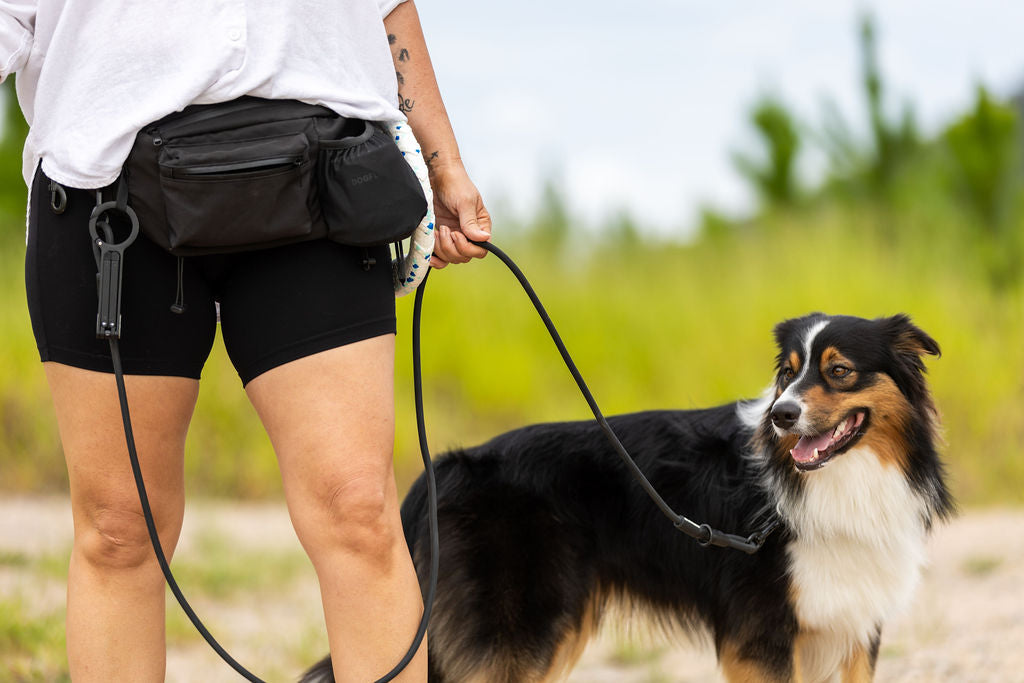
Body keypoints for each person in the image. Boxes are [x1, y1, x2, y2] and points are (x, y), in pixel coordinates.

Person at [1, 0, 489, 680]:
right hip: (106, 190)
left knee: (358, 510)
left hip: (325, 177)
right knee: (118, 529)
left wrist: (445, 162)